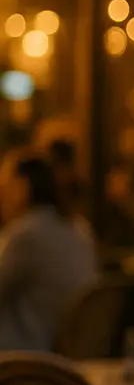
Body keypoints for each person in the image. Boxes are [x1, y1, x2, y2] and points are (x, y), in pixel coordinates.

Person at [0, 150, 98, 351]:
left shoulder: (26, 235)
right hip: (73, 355)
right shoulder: (80, 230)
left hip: (26, 358)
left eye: (4, 187)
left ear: (22, 187)